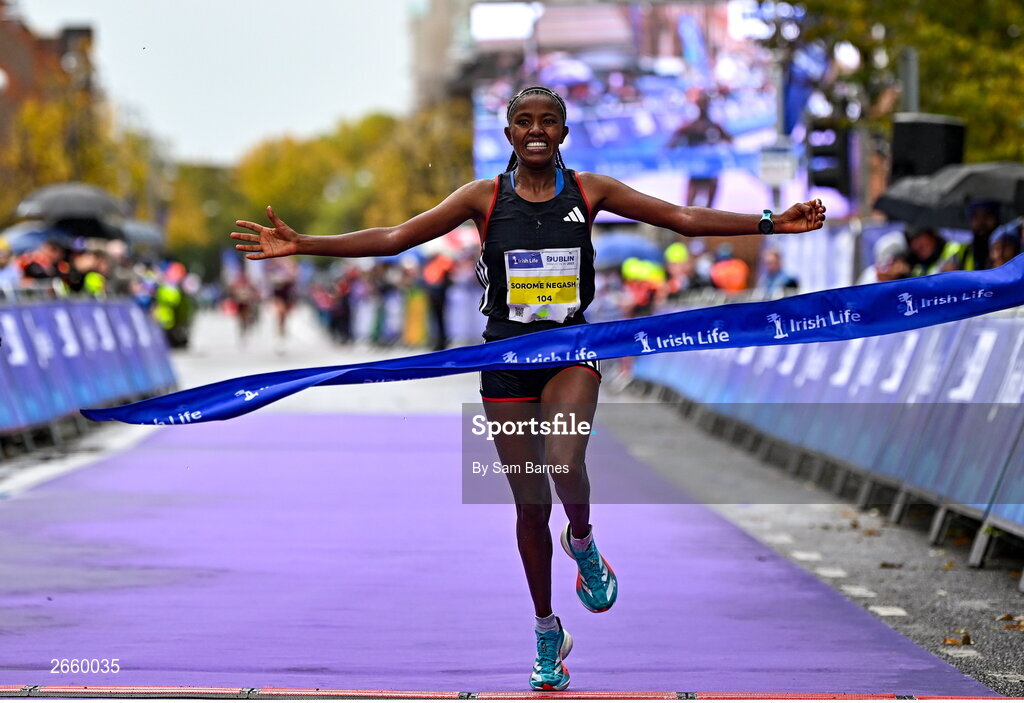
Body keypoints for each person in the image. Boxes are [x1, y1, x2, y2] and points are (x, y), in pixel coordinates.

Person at [230, 85, 825, 692]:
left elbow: (681, 218)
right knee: (529, 504)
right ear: (509, 133)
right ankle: (547, 631)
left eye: (548, 121)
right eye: (524, 121)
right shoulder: (480, 198)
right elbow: (394, 238)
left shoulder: (591, 191)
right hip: (507, 359)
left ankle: (584, 540)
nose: (536, 130)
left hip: (569, 351)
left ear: (563, 133)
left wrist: (771, 222)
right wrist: (304, 246)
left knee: (565, 455)